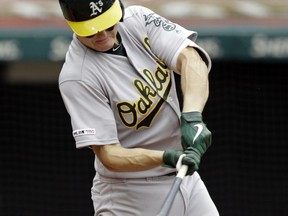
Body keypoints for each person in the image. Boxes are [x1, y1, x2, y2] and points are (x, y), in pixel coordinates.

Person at [58, 0, 219, 215]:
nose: (103, 35)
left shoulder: (138, 19)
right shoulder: (77, 76)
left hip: (187, 177)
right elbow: (109, 154)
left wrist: (192, 116)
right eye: (91, 31)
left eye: (108, 24)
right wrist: (166, 157)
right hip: (130, 193)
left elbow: (190, 58)